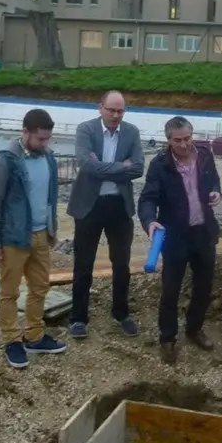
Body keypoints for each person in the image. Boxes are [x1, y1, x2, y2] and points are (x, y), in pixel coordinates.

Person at [0, 109, 67, 369]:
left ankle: (34, 335)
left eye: (48, 139)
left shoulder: (48, 158)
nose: (45, 144)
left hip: (42, 234)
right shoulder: (6, 160)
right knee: (9, 291)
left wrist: (52, 228)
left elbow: (50, 197)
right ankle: (12, 340)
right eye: (40, 139)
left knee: (40, 287)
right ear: (25, 132)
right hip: (13, 237)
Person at [138, 116, 222, 364]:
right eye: (178, 141)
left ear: (192, 135)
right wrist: (149, 220)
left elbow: (213, 179)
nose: (184, 145)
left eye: (187, 138)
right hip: (175, 236)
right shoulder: (159, 165)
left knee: (203, 287)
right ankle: (168, 338)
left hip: (203, 232)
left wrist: (216, 191)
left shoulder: (205, 155)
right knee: (171, 290)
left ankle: (194, 329)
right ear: (168, 140)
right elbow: (147, 198)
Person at [66, 91, 144, 339]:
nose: (115, 115)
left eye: (120, 111)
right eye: (111, 110)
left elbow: (139, 168)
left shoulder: (131, 132)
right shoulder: (86, 130)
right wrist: (123, 167)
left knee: (121, 264)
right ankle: (78, 317)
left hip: (119, 206)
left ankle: (121, 313)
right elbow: (86, 165)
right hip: (89, 205)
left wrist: (103, 168)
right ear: (100, 107)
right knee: (83, 264)